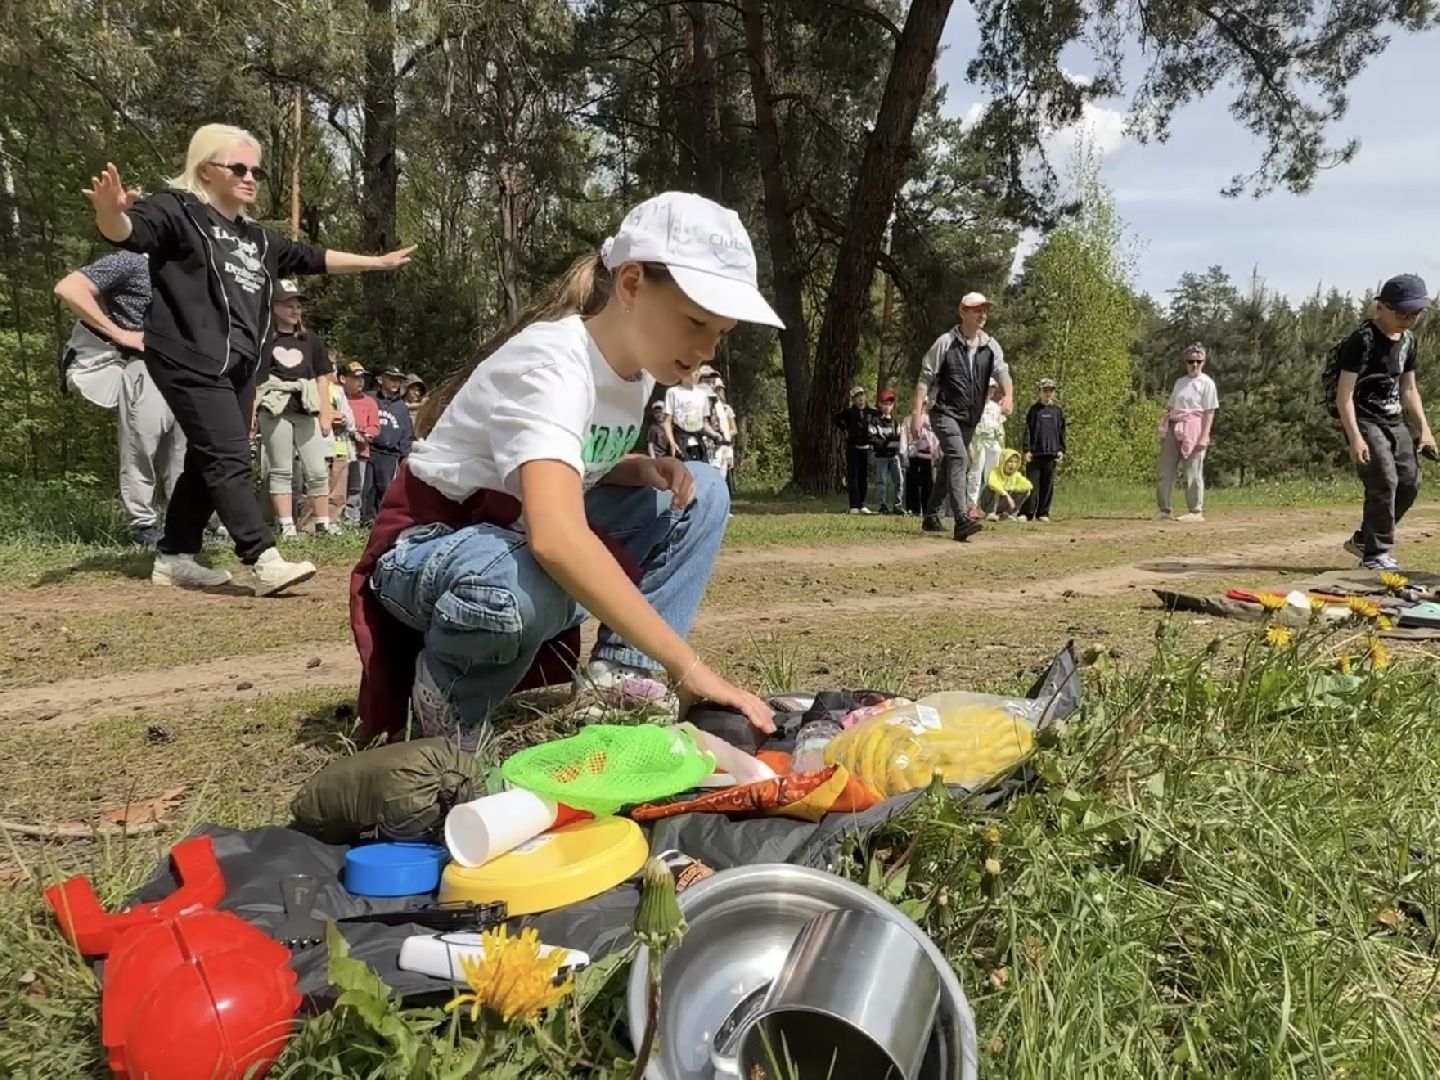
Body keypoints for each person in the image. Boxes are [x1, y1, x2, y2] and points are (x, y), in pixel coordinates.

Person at [351, 191, 782, 746]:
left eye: (720, 333)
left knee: (703, 488)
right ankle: (447, 704)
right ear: (631, 285)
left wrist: (635, 467)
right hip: (430, 546)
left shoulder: (636, 372)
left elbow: (568, 461)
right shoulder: (552, 363)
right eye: (696, 322)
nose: (707, 349)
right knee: (528, 576)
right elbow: (555, 538)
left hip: (506, 537)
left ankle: (620, 678)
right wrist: (690, 668)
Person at [82, 124, 413, 595]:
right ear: (205, 170)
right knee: (229, 455)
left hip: (238, 365)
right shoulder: (177, 210)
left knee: (207, 457)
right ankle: (262, 557)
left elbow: (312, 257)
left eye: (256, 171)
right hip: (187, 354)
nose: (250, 177)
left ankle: (175, 557)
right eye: (238, 168)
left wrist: (377, 263)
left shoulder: (257, 238)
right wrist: (108, 212)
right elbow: (128, 232)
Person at [54, 251, 185, 549]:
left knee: (183, 453)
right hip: (145, 364)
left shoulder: (194, 268)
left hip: (187, 369)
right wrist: (120, 334)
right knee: (142, 442)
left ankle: (183, 526)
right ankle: (144, 525)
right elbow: (69, 288)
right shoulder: (132, 261)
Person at [1325, 274, 1436, 571]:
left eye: (1415, 314)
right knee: (1384, 480)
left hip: (1394, 419)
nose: (1408, 320)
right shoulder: (1362, 341)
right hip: (1364, 419)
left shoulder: (1409, 341)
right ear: (1381, 308)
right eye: (1402, 313)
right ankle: (1375, 555)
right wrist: (1355, 436)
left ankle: (1366, 538)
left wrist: (1424, 431)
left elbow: (1409, 389)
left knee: (1409, 482)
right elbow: (1344, 395)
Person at [912, 291, 1013, 542]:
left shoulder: (990, 345)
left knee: (950, 463)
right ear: (963, 312)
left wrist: (1008, 395)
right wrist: (917, 413)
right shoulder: (945, 342)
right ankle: (961, 519)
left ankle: (931, 515)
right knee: (959, 457)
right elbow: (925, 378)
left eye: (985, 310)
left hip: (970, 417)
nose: (982, 314)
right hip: (943, 411)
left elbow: (1003, 372)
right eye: (977, 310)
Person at [252, 279, 334, 537]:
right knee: (281, 469)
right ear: (274, 307)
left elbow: (322, 378)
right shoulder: (264, 340)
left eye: (298, 306)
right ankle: (286, 525)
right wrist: (250, 414)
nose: (295, 310)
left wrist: (325, 413)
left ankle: (323, 523)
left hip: (305, 408)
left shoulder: (311, 340)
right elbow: (256, 381)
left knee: (317, 468)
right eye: (289, 305)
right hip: (274, 407)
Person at [1156, 343, 1218, 524]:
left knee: (1193, 471)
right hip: (1175, 426)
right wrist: (1164, 428)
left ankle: (1195, 510)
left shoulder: (1207, 384)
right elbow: (1172, 407)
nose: (1194, 365)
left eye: (1198, 361)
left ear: (1203, 362)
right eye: (1191, 361)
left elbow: (1209, 412)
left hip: (1194, 428)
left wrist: (1204, 435)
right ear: (1186, 362)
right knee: (1165, 470)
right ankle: (1164, 509)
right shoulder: (1180, 383)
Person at [369, 364, 415, 514]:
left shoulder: (401, 407)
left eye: (398, 380)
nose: (396, 383)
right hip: (369, 450)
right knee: (366, 489)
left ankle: (383, 519)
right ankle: (364, 520)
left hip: (389, 455)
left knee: (386, 489)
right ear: (380, 380)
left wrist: (405, 455)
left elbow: (406, 434)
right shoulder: (370, 398)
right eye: (391, 379)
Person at [1021, 378, 1067, 522]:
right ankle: (1027, 513)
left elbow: (1062, 431)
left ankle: (1043, 513)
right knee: (1031, 485)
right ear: (1039, 392)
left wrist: (1061, 449)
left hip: (1051, 453)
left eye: (1050, 390)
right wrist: (1027, 450)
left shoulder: (1057, 411)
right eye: (1045, 390)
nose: (1048, 393)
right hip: (1035, 453)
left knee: (1047, 485)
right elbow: (1027, 430)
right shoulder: (1033, 411)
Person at [340, 361, 380, 526]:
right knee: (337, 484)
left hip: (360, 451)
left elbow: (375, 426)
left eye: (362, 378)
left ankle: (352, 521)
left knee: (356, 488)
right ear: (343, 379)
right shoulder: (338, 397)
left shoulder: (369, 401)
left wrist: (367, 434)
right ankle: (335, 519)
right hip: (340, 449)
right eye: (355, 378)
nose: (360, 382)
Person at [966, 380, 1005, 514]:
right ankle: (972, 506)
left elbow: (1000, 428)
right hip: (978, 441)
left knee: (993, 474)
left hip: (993, 442)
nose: (990, 391)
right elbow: (969, 426)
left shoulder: (996, 407)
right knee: (975, 473)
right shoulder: (973, 405)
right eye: (988, 387)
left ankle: (990, 508)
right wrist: (969, 446)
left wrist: (1002, 445)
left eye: (992, 388)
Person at [664, 366, 718, 462]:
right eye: (693, 371)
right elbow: (667, 422)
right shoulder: (673, 392)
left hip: (698, 443)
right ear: (682, 373)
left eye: (698, 371)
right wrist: (672, 442)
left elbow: (704, 423)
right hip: (681, 441)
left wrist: (714, 434)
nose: (696, 374)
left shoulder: (702, 394)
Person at [835, 385, 873, 514]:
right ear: (853, 399)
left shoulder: (870, 412)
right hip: (853, 448)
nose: (860, 399)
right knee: (853, 476)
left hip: (865, 448)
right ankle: (854, 505)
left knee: (863, 477)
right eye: (857, 397)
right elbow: (836, 418)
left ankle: (862, 504)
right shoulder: (849, 413)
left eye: (862, 395)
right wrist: (845, 428)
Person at [870, 389, 904, 514]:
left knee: (899, 480)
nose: (887, 407)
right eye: (884, 404)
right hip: (881, 456)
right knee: (881, 481)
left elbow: (899, 437)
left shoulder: (895, 421)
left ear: (892, 406)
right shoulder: (875, 421)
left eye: (889, 404)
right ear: (880, 404)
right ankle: (882, 505)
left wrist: (895, 444)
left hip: (894, 456)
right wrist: (884, 444)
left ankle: (897, 505)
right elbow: (872, 437)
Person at [705, 373, 739, 492]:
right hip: (714, 444)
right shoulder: (708, 407)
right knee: (714, 471)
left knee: (723, 473)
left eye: (720, 389)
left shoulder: (726, 408)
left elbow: (734, 429)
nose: (719, 392)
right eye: (716, 389)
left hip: (726, 444)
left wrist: (726, 435)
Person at [980, 449, 1033, 520]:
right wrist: (1006, 494)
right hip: (989, 502)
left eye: (1015, 462)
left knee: (1026, 491)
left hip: (1004, 503)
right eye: (1010, 461)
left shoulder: (1016, 475)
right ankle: (990, 513)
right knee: (993, 488)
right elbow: (992, 484)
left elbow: (1029, 485)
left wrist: (1012, 488)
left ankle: (1008, 514)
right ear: (1003, 461)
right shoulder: (995, 472)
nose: (1013, 465)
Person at [902, 414, 939, 516]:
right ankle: (913, 509)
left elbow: (935, 437)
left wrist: (936, 454)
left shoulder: (929, 419)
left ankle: (927, 509)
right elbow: (904, 438)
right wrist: (904, 456)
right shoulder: (908, 420)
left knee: (928, 484)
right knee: (912, 483)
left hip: (927, 457)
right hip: (913, 455)